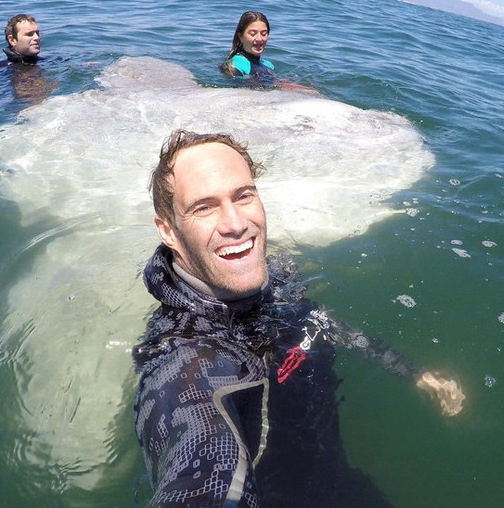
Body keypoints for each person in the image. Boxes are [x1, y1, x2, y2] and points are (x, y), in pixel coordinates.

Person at [132, 130, 464, 507]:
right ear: (168, 231)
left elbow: (318, 322)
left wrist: (407, 369)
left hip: (337, 481)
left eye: (243, 195)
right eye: (204, 207)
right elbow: (200, 467)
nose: (235, 223)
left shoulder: (272, 276)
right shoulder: (185, 360)